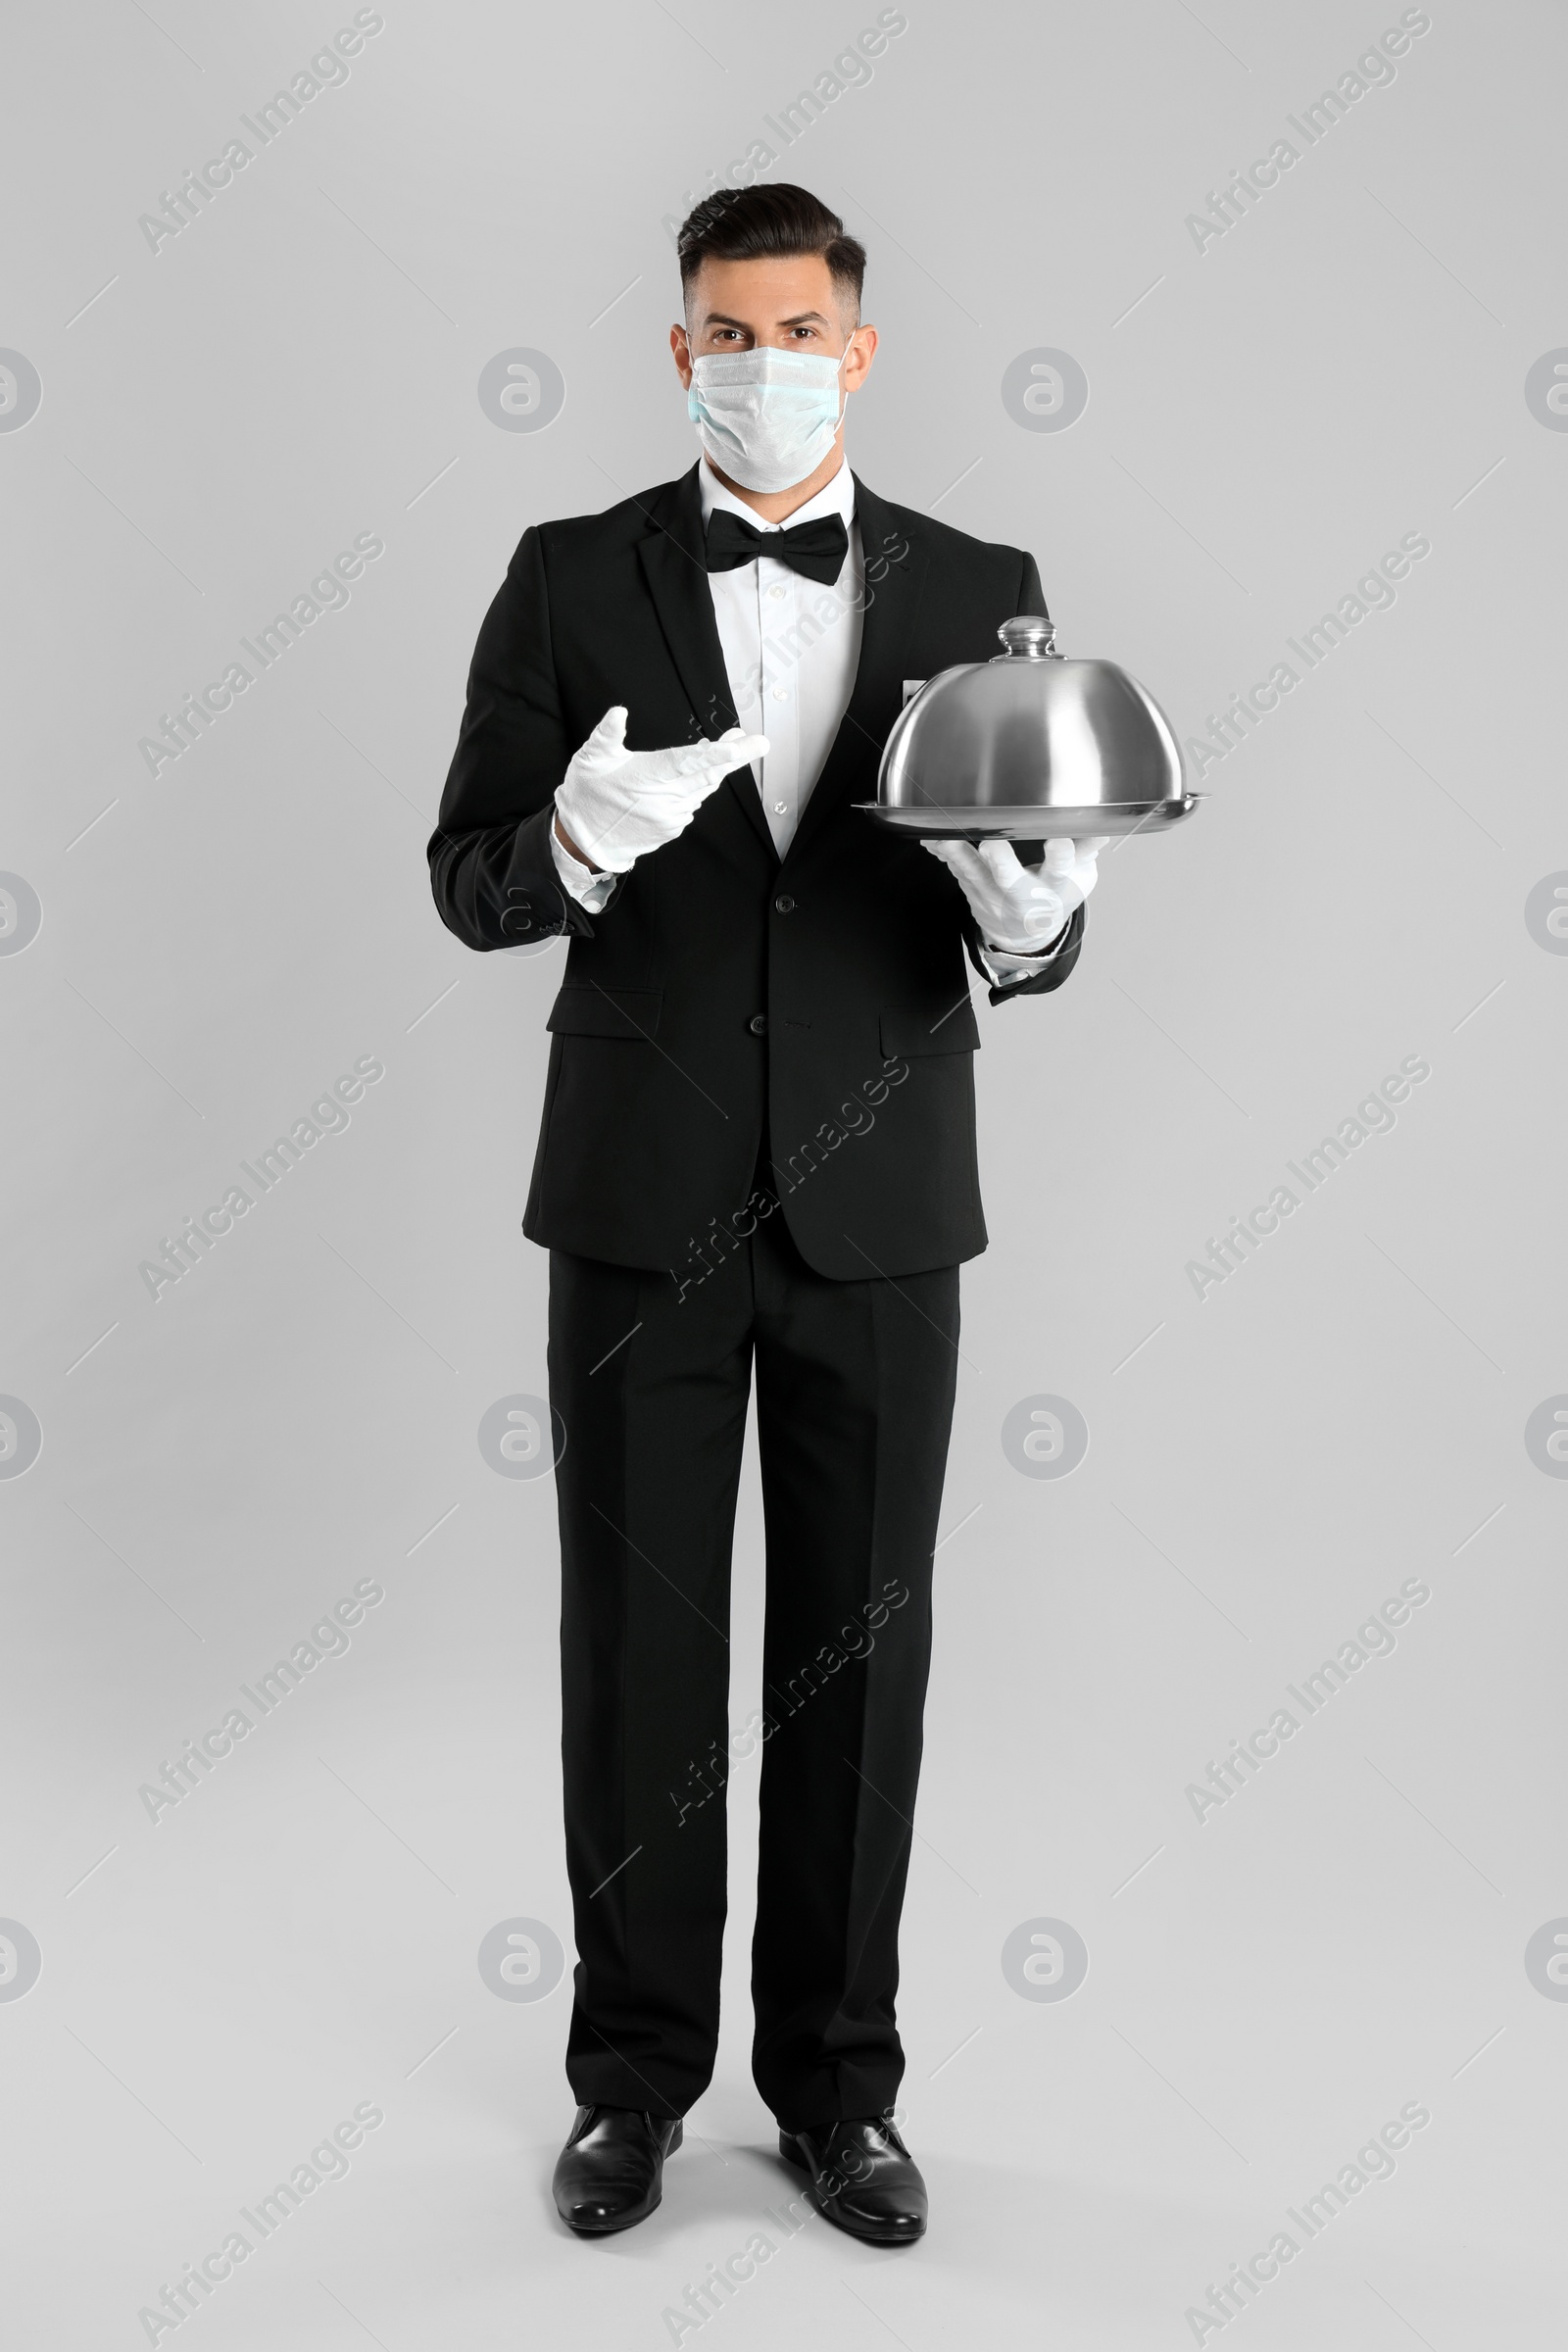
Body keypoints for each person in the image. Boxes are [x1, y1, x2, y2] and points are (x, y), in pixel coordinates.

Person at [428, 183, 1104, 2245]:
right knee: (631, 1656)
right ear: (676, 351)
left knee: (855, 1664)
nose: (758, 367)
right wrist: (571, 836)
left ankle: (838, 2091)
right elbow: (467, 879)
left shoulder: (981, 581)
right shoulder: (565, 577)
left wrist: (1036, 916)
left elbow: (1023, 887)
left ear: (859, 347)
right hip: (638, 1202)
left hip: (884, 1195)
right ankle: (629, 2087)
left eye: (793, 330)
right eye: (723, 334)